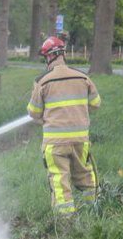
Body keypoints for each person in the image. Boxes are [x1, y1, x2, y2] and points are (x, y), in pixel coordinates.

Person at [27, 36, 101, 217]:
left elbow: (34, 112)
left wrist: (46, 118)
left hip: (55, 144)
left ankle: (65, 220)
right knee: (86, 177)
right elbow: (96, 104)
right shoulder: (82, 77)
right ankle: (94, 213)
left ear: (49, 56)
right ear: (63, 54)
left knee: (60, 181)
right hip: (80, 141)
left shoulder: (42, 81)